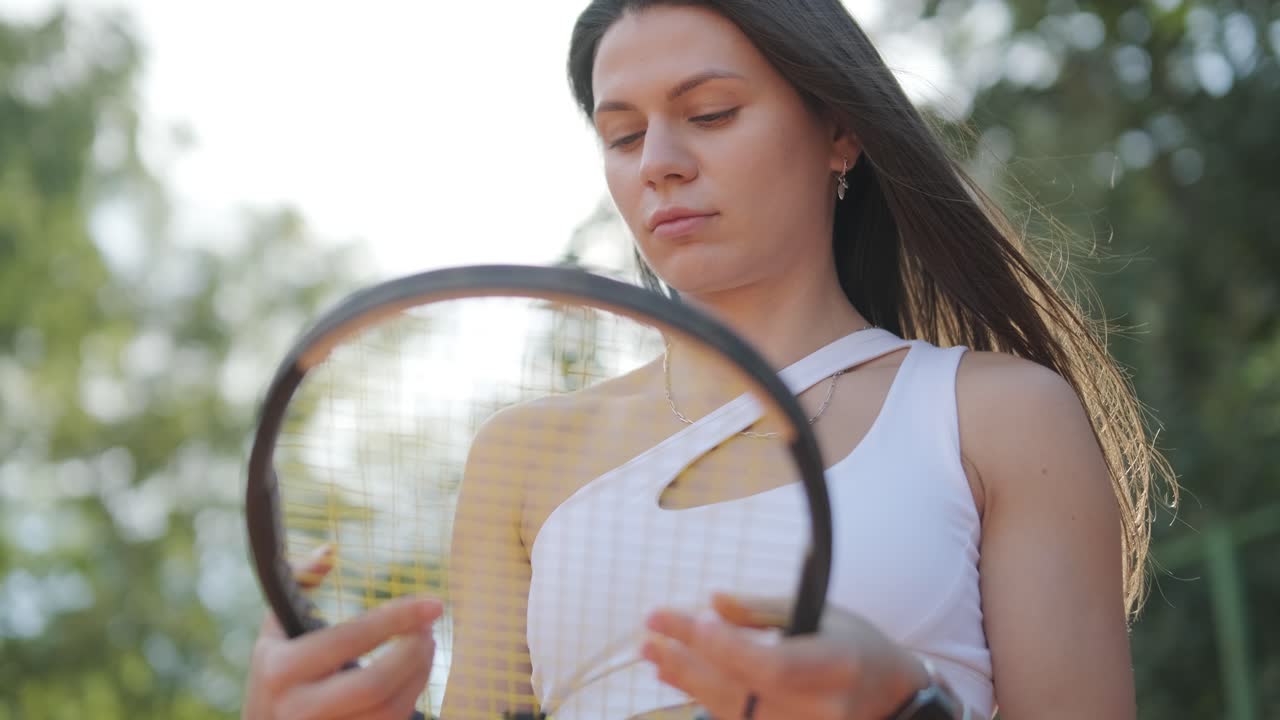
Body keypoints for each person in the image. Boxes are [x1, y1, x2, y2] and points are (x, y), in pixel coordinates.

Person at [243, 1, 1174, 718]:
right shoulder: (520, 458)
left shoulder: (998, 414)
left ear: (839, 132)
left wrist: (907, 708)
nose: (659, 161)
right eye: (621, 135)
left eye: (712, 112)